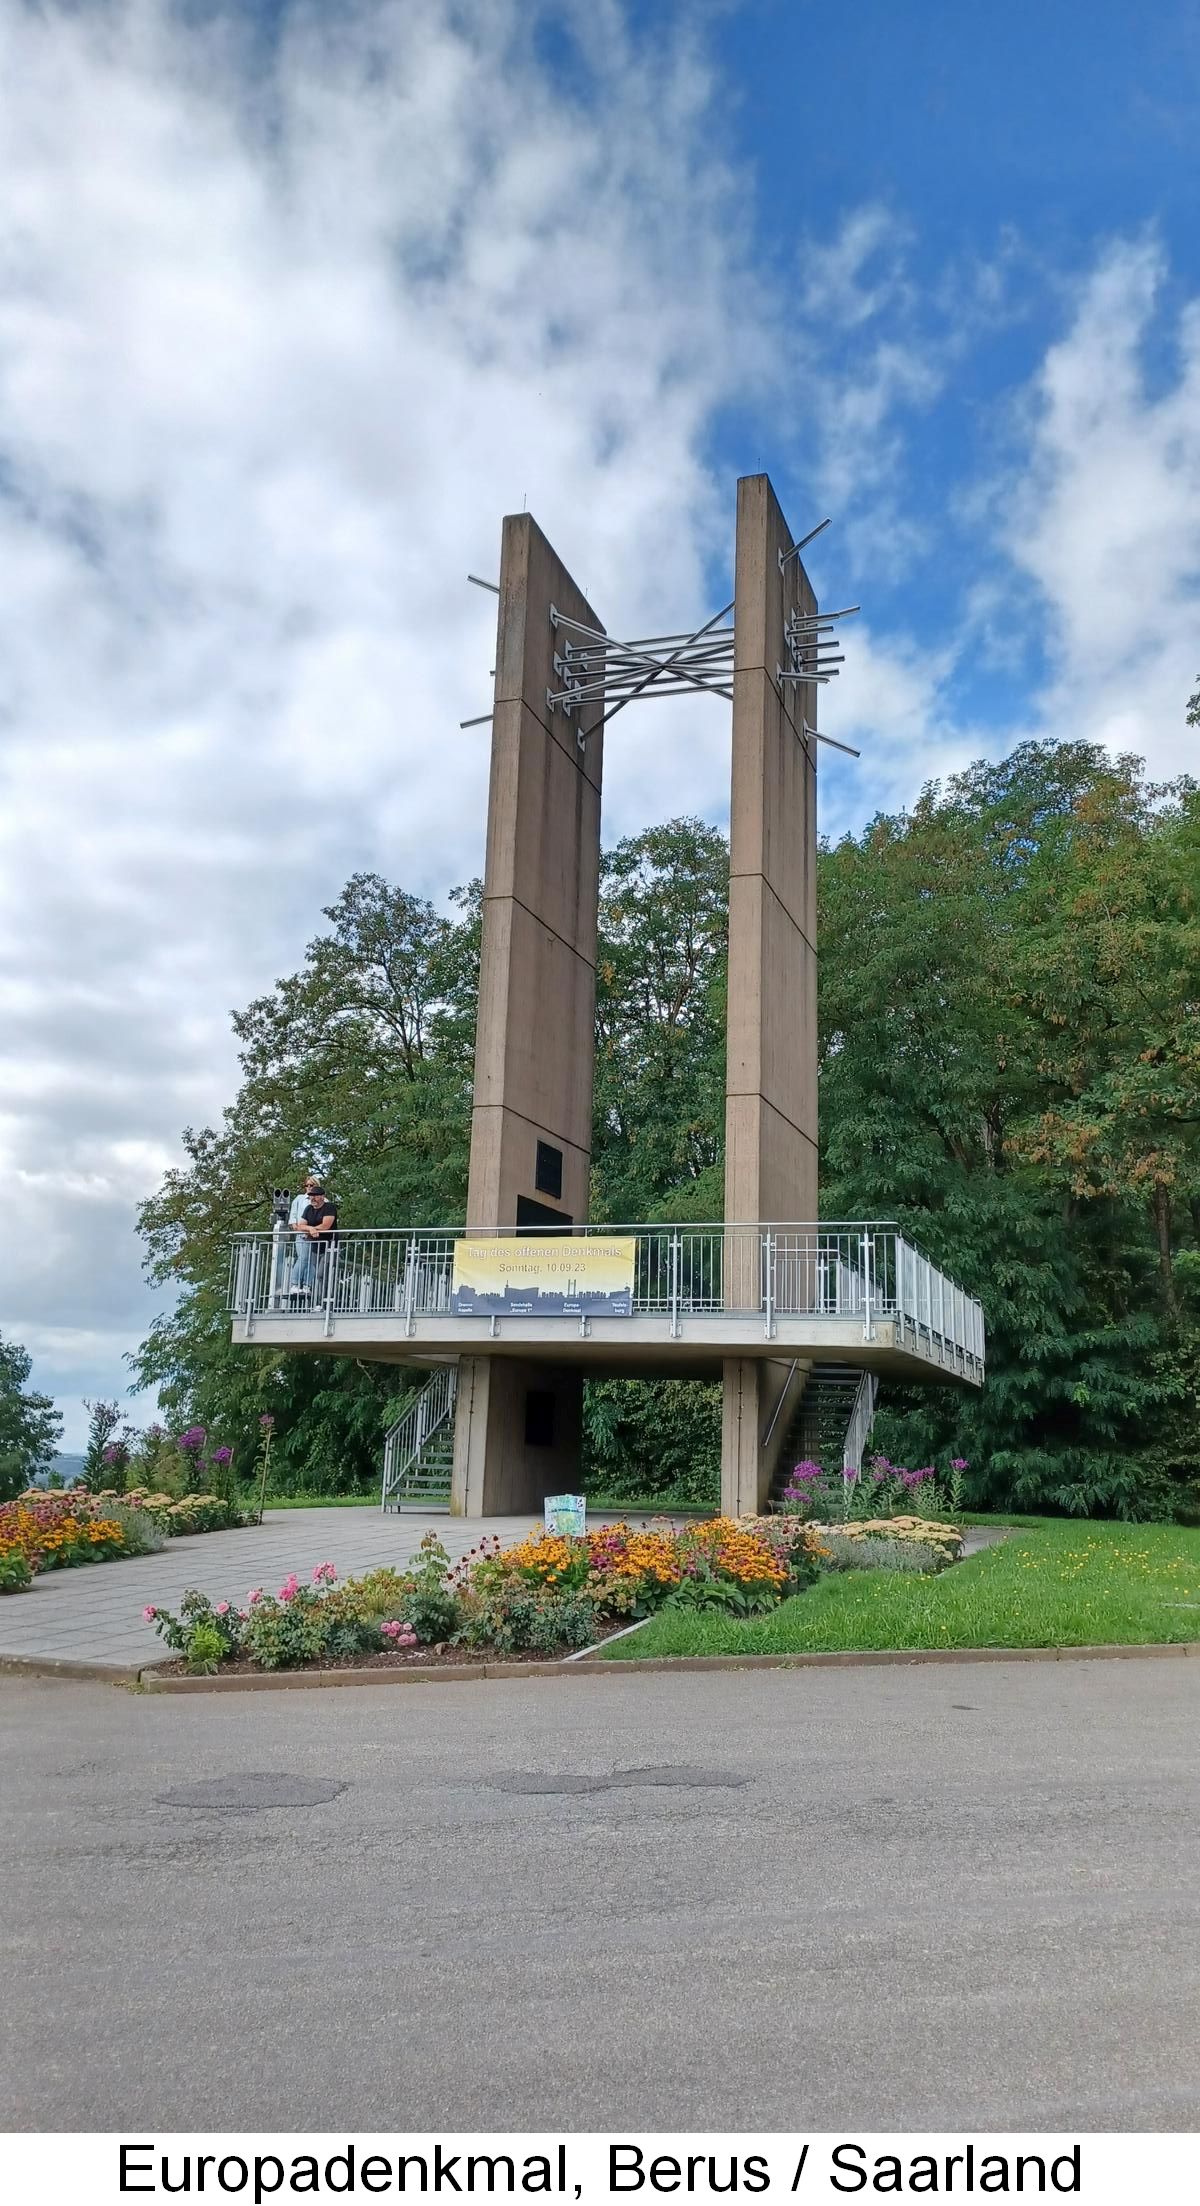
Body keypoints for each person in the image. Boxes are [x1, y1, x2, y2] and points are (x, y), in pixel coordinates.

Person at [294, 1180, 338, 1299]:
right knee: (313, 1274)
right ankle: (314, 1300)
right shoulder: (308, 1208)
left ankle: (326, 1301)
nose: (312, 1198)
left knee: (322, 1274)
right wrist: (310, 1229)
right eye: (311, 1196)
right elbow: (300, 1226)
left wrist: (311, 1229)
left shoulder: (329, 1207)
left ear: (322, 1197)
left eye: (315, 1196)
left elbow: (326, 1226)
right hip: (314, 1247)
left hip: (330, 1246)